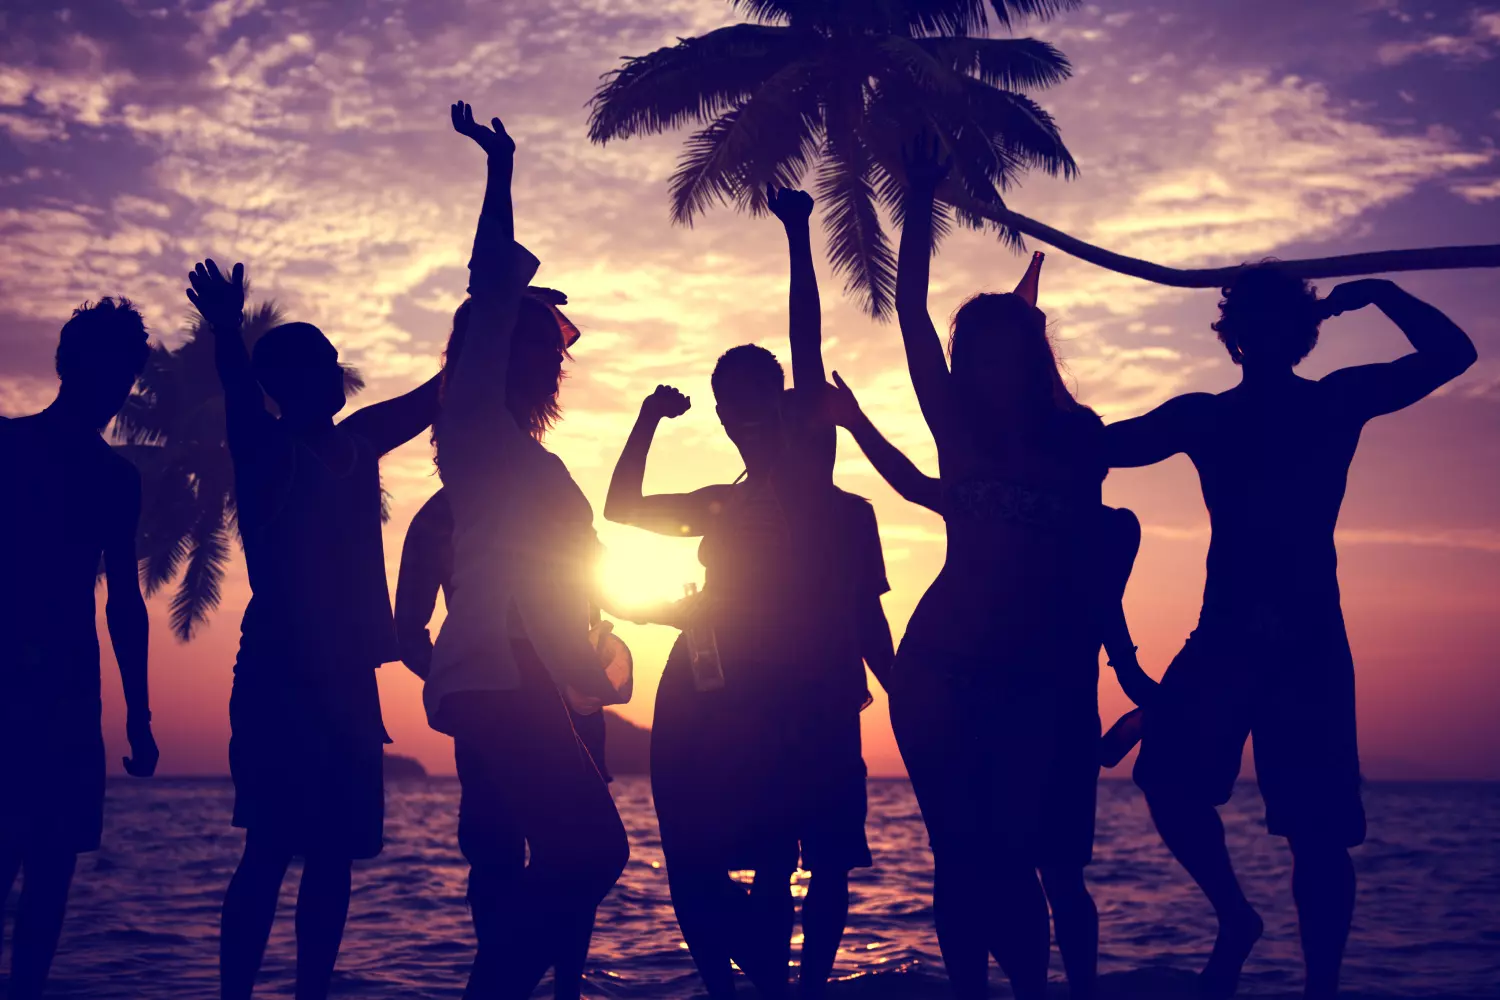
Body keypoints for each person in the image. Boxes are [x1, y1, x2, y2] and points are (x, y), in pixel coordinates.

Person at [1104, 269, 1477, 1000]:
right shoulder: (1205, 416)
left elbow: (1453, 354)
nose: (1268, 337)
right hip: (1229, 634)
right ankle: (1237, 920)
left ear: (1300, 336)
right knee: (1167, 783)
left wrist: (1381, 293)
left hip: (1305, 641)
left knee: (1319, 833)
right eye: (1256, 325)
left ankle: (1322, 989)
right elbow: (1097, 446)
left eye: (1282, 324)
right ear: (1237, 337)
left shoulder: (1334, 400)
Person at [879, 144, 1157, 1000]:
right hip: (942, 674)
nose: (989, 368)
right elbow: (912, 311)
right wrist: (920, 199)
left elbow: (1089, 573)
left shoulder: (1078, 442)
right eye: (981, 353)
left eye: (1007, 352)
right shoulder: (956, 431)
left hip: (1041, 678)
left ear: (1032, 359)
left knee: (1043, 862)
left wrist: (1120, 667)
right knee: (962, 858)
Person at [605, 187, 895, 1000]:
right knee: (752, 862)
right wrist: (647, 418)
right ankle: (757, 986)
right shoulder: (717, 503)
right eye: (731, 408)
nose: (745, 419)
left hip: (824, 700)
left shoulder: (820, 482)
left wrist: (799, 236)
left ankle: (807, 987)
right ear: (725, 415)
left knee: (828, 857)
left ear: (786, 407)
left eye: (759, 403)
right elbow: (620, 508)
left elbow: (808, 341)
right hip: (739, 707)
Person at [825, 362, 1148, 1000]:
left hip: (1059, 699)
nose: (1087, 471)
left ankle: (1072, 988)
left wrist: (1131, 674)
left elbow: (1104, 609)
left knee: (1054, 872)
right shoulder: (1022, 507)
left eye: (1093, 461)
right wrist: (855, 419)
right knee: (995, 863)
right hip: (1017, 696)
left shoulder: (1110, 527)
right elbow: (915, 483)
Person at [186, 255, 444, 1000]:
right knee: (268, 848)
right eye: (327, 361)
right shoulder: (267, 453)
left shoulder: (357, 441)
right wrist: (228, 328)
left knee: (333, 856)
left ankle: (311, 993)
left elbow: (435, 396)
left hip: (346, 684)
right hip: (280, 678)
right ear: (296, 380)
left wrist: (489, 312)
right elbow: (239, 391)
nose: (340, 368)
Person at [425, 101, 628, 1000]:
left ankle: (502, 981)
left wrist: (587, 659)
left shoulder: (519, 453)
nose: (556, 359)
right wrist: (500, 171)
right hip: (498, 673)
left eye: (559, 349)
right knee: (593, 847)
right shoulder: (472, 426)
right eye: (544, 344)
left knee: (568, 852)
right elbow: (491, 286)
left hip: (526, 671)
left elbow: (552, 583)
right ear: (501, 352)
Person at [0, 298, 159, 999]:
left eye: (126, 372)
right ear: (68, 366)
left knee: (51, 868)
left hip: (68, 689)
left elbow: (124, 600)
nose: (117, 386)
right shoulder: (10, 448)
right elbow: (122, 601)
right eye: (109, 369)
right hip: (24, 685)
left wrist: (140, 714)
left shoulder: (114, 478)